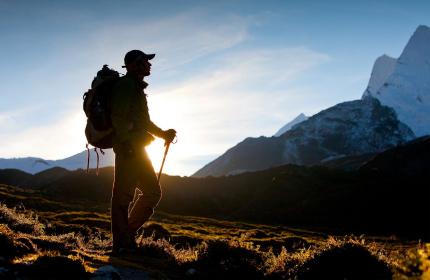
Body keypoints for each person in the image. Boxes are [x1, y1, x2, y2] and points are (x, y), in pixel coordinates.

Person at [110, 49, 176, 254]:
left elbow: (143, 122)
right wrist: (125, 142)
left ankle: (125, 237)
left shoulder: (136, 87)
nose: (149, 64)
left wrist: (163, 134)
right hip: (130, 148)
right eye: (145, 61)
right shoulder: (127, 85)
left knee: (150, 192)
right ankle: (123, 242)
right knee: (124, 195)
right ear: (134, 65)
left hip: (137, 147)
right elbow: (117, 116)